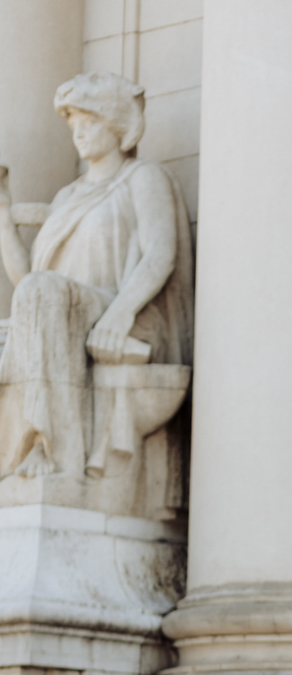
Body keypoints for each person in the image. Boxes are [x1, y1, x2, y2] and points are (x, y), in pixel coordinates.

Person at [0, 72, 193, 481]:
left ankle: (53, 450)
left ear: (118, 123)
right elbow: (30, 282)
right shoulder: (66, 196)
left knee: (42, 299)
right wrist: (2, 215)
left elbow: (161, 253)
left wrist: (120, 313)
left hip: (119, 310)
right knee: (29, 306)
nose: (78, 131)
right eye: (72, 121)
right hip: (64, 311)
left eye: (90, 119)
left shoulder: (143, 178)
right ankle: (21, 451)